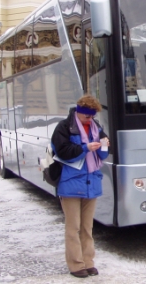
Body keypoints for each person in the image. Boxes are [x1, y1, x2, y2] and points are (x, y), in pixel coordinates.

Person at [51, 95, 109, 278]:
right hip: (70, 182)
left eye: (92, 116)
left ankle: (88, 262)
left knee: (87, 227)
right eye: (87, 116)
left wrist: (104, 147)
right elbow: (63, 152)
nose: (90, 120)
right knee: (73, 226)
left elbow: (103, 154)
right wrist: (85, 148)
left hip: (91, 181)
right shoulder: (64, 127)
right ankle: (76, 264)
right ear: (79, 112)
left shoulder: (96, 127)